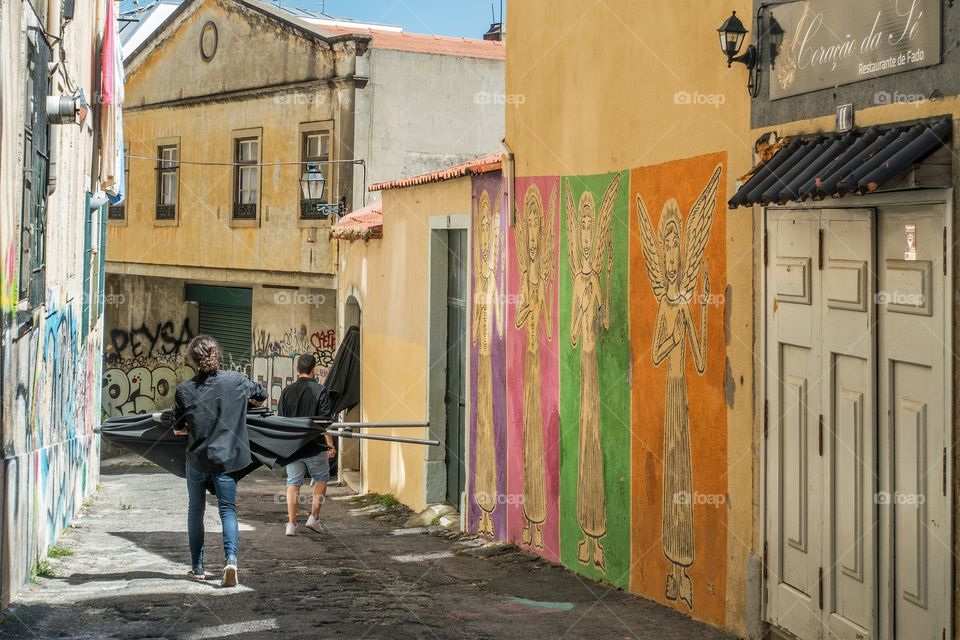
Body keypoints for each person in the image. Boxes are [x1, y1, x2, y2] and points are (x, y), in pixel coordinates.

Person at [171, 335, 268, 587]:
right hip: (227, 460)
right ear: (218, 354)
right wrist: (245, 405)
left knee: (196, 511)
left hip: (197, 460)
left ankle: (198, 567)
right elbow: (261, 395)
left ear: (193, 360)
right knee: (227, 510)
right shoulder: (236, 381)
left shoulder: (184, 390)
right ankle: (231, 561)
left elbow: (178, 429)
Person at [280, 353, 335, 536]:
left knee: (293, 483)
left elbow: (281, 421)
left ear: (297, 370)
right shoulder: (320, 390)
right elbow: (325, 422)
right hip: (314, 445)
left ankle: (291, 524)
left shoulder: (286, 392)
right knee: (321, 478)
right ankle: (314, 518)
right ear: (313, 370)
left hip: (293, 446)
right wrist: (330, 445)